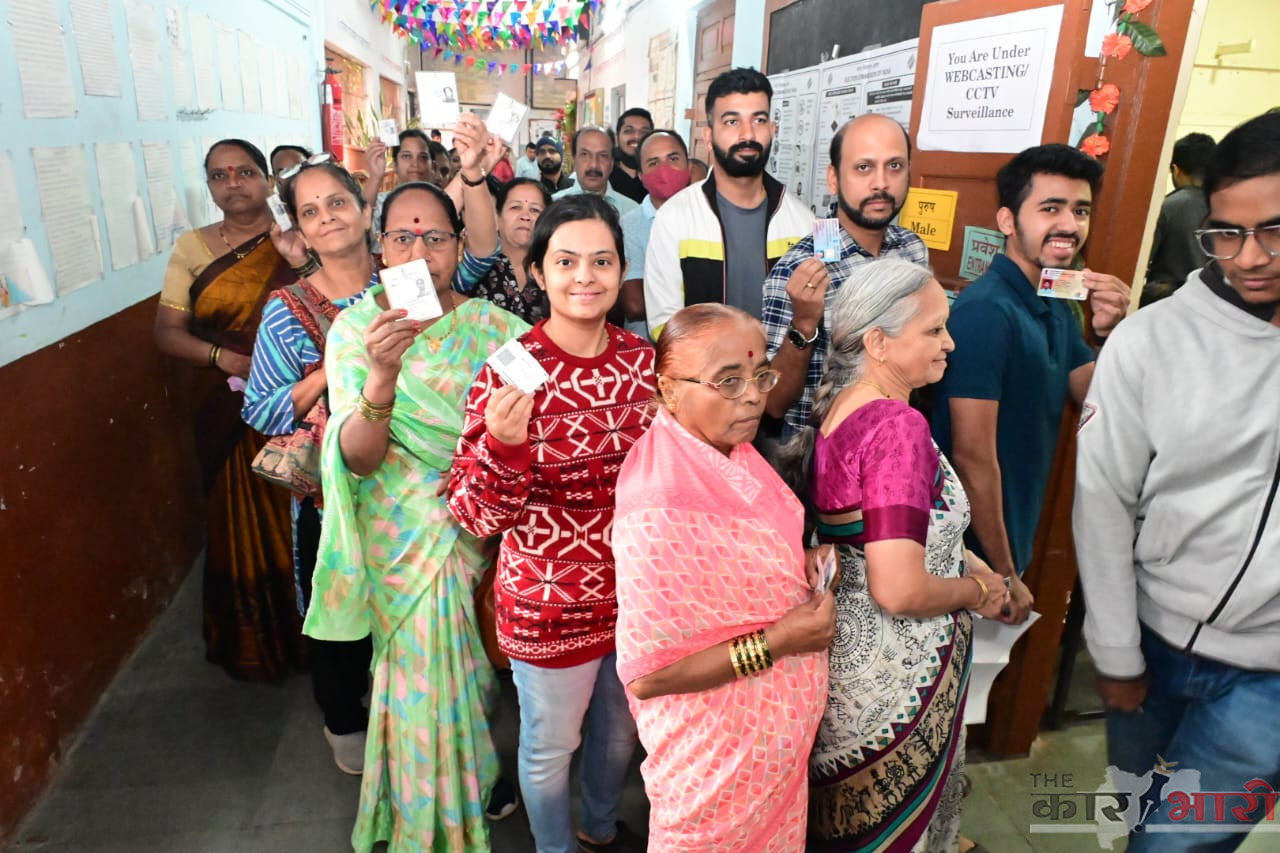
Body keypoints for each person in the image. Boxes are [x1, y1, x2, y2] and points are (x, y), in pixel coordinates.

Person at [303, 175, 530, 850]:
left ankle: (475, 771)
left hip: (469, 529)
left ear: (458, 246)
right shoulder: (355, 332)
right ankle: (423, 811)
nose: (419, 251)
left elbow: (539, 414)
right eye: (402, 235)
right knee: (411, 676)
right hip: (398, 538)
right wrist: (381, 380)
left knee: (466, 673)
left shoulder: (496, 327)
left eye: (435, 236)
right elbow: (360, 458)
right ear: (381, 250)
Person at [1075, 111, 1280, 851]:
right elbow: (1101, 502)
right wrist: (1117, 651)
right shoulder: (1152, 340)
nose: (1248, 257)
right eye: (1226, 231)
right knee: (1136, 821)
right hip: (1155, 645)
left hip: (1269, 679)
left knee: (1179, 845)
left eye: (1273, 231)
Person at [775, 259, 1011, 850]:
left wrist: (972, 564)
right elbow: (901, 589)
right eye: (934, 330)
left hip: (852, 676)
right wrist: (979, 592)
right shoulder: (895, 427)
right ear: (878, 342)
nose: (950, 343)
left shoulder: (841, 409)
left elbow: (893, 536)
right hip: (898, 684)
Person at [448, 194, 654, 853]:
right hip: (548, 600)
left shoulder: (644, 364)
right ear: (538, 271)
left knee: (620, 731)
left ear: (622, 268)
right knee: (547, 745)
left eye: (601, 260)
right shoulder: (511, 371)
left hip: (637, 597)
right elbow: (475, 512)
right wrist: (505, 449)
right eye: (565, 261)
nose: (585, 276)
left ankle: (597, 825)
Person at [613, 302, 835, 851]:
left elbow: (753, 549)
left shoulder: (726, 451)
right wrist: (779, 640)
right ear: (668, 390)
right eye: (727, 381)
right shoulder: (658, 502)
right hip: (714, 767)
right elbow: (647, 675)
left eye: (760, 376)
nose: (754, 396)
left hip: (768, 756)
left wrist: (796, 563)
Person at [929, 144, 1130, 620]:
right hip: (971, 557)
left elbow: (1097, 397)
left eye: (1080, 210)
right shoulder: (986, 312)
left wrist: (1113, 333)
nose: (1068, 224)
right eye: (1050, 208)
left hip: (1012, 531)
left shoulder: (1058, 299)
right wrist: (1002, 574)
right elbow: (972, 454)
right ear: (1006, 221)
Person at [153, 139, 308, 681]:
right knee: (237, 515)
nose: (234, 183)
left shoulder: (296, 238)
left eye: (245, 171)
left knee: (305, 517)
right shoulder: (193, 248)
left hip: (300, 403)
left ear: (267, 179)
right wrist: (224, 357)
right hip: (225, 407)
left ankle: (320, 638)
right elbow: (166, 334)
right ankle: (257, 641)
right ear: (210, 186)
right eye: (220, 175)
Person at [241, 160, 377, 774]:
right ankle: (343, 718)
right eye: (311, 211)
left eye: (338, 202)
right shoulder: (286, 308)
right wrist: (341, 361)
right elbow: (264, 410)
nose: (328, 217)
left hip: (413, 484)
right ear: (299, 229)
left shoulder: (408, 284)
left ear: (365, 207)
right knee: (340, 606)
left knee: (408, 608)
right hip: (333, 492)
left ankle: (408, 710)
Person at [763, 115, 930, 441]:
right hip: (820, 458)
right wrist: (803, 325)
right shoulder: (798, 269)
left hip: (900, 440)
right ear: (834, 179)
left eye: (894, 166)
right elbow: (773, 403)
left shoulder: (913, 250)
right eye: (863, 168)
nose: (881, 183)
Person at [645, 67, 812, 337]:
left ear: (773, 129)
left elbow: (815, 316)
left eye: (758, 120)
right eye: (732, 122)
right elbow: (663, 324)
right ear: (709, 135)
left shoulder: (804, 222)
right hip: (703, 376)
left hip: (782, 376)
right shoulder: (674, 218)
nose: (747, 135)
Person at [618, 129, 692, 338]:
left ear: (689, 166)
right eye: (653, 163)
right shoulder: (628, 226)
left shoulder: (709, 217)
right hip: (647, 354)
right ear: (641, 176)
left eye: (673, 158)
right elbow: (635, 304)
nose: (664, 169)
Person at [463, 177, 551, 324]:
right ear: (496, 219)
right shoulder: (476, 264)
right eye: (515, 207)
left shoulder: (554, 269)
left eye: (535, 210)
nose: (525, 216)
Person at [1145, 131, 1216, 293]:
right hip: (1214, 301)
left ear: (1176, 170)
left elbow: (1143, 260)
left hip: (1166, 300)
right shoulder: (1229, 207)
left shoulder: (1166, 207)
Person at [362, 129, 437, 252]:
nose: (415, 164)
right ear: (395, 164)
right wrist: (375, 176)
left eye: (423, 157)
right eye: (406, 156)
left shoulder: (442, 204)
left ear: (432, 165)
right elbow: (359, 228)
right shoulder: (381, 203)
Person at [553, 126, 639, 216]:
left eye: (603, 155)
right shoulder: (553, 206)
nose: (594, 165)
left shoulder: (632, 211)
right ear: (574, 159)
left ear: (612, 163)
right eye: (585, 154)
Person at [610, 107, 654, 203]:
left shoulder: (657, 177)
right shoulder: (605, 177)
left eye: (644, 132)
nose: (637, 136)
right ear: (617, 138)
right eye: (629, 131)